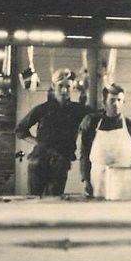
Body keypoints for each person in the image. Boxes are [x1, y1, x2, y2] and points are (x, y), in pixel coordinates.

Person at [15, 68, 92, 196]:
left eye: (68, 86)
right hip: (38, 162)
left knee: (54, 203)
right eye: (60, 86)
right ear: (53, 86)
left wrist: (87, 114)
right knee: (35, 202)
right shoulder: (43, 109)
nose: (64, 90)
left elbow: (96, 115)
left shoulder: (78, 110)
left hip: (61, 163)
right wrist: (38, 143)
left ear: (72, 87)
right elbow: (20, 130)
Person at [79, 83, 131, 198]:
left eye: (119, 100)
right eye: (112, 100)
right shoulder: (92, 123)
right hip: (98, 179)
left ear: (123, 102)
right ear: (105, 102)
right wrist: (86, 180)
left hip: (124, 179)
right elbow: (84, 152)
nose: (116, 104)